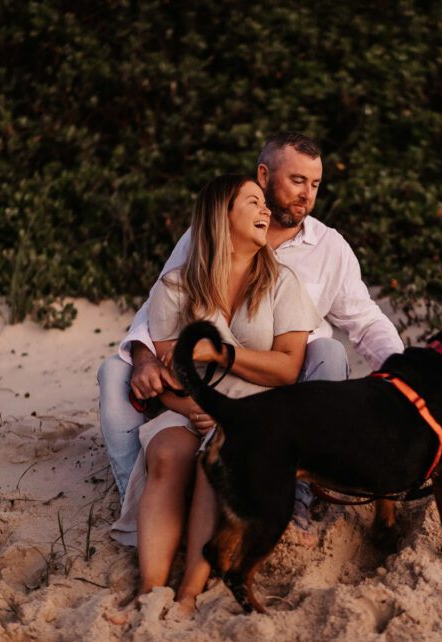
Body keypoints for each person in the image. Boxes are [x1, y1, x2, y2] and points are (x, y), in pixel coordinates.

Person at [98, 131, 404, 533]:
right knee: (113, 371)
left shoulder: (329, 248)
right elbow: (163, 295)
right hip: (204, 383)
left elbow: (364, 320)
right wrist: (143, 356)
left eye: (314, 185)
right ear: (263, 174)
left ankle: (296, 499)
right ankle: (134, 504)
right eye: (297, 181)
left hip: (281, 387)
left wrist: (406, 373)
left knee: (328, 351)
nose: (306, 196)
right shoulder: (208, 231)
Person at [110, 174, 321, 615]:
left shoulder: (283, 283)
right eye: (253, 203)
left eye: (264, 203)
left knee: (214, 460)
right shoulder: (176, 288)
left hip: (257, 410)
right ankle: (150, 589)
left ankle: (189, 591)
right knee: (166, 453)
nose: (266, 211)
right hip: (192, 407)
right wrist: (195, 407)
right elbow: (169, 373)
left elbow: (287, 368)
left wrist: (220, 355)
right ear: (220, 216)